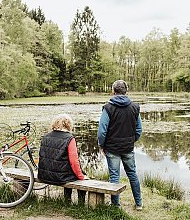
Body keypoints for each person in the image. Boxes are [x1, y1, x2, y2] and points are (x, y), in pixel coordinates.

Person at [97, 80, 143, 210]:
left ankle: (115, 205)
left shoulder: (108, 107)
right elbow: (139, 129)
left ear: (113, 91)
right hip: (128, 148)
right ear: (126, 91)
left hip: (112, 148)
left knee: (114, 176)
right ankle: (139, 204)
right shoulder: (134, 107)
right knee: (132, 174)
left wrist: (101, 145)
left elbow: (102, 130)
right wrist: (131, 140)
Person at [38, 114, 88, 203]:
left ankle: (67, 201)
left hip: (43, 174)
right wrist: (81, 176)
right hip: (59, 177)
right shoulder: (69, 138)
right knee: (80, 175)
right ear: (68, 124)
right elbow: (74, 162)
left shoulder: (46, 137)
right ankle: (80, 203)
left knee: (68, 172)